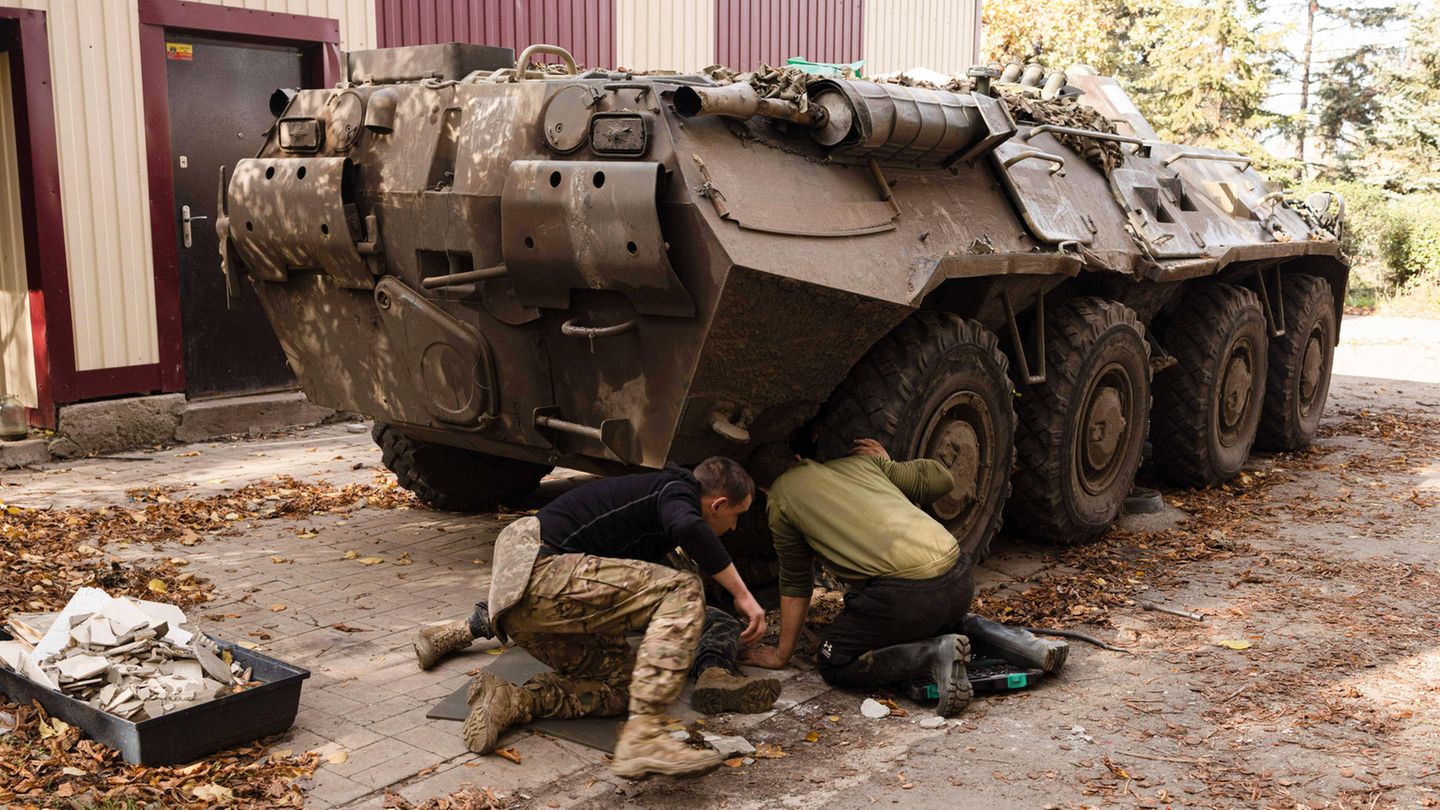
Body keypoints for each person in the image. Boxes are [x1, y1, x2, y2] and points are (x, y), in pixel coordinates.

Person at [412, 458, 774, 779]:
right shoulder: (674, 490)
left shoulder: (650, 516)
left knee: (624, 689)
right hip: (538, 567)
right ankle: (646, 737)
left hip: (524, 607)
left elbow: (636, 594)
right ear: (719, 504)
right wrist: (744, 596)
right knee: (683, 589)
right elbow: (688, 531)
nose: (735, 528)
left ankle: (511, 700)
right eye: (737, 517)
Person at [742, 439, 1067, 716]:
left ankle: (932, 654)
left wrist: (781, 654)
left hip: (905, 598)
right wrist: (888, 464)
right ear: (800, 459)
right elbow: (942, 480)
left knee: (832, 659)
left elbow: (796, 581)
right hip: (958, 573)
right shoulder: (862, 465)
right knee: (936, 621)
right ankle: (1023, 646)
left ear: (762, 490)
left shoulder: (780, 500)